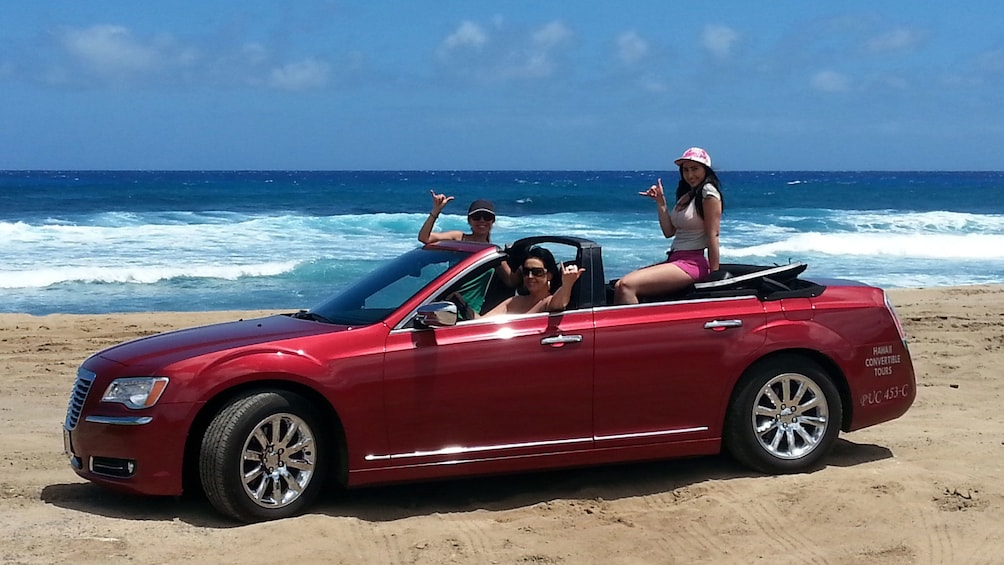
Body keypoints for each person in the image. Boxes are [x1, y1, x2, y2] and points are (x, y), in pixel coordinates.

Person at [614, 147, 723, 304]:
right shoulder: (687, 196)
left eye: (695, 169)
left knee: (626, 286)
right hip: (676, 259)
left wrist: (715, 275)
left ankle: (640, 329)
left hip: (692, 263)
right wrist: (661, 202)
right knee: (618, 285)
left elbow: (714, 234)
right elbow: (669, 232)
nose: (690, 175)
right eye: (685, 170)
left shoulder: (708, 193)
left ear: (705, 169)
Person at [418, 190, 519, 315]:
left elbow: (511, 281)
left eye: (487, 217)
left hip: (469, 313)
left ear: (493, 221)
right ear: (469, 220)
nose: (482, 220)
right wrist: (436, 211)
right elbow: (424, 238)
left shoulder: (492, 252)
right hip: (447, 308)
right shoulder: (459, 238)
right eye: (476, 217)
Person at [475, 246, 586, 317]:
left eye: (537, 272)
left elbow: (560, 303)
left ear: (549, 275)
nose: (530, 276)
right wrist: (462, 306)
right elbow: (480, 323)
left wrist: (567, 284)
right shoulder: (514, 302)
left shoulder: (548, 303)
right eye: (526, 271)